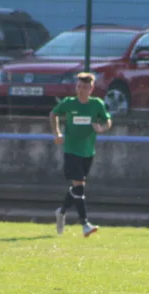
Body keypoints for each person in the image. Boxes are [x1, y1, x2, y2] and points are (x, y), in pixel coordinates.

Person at [50, 72, 112, 237]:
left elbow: (107, 121)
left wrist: (102, 128)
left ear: (91, 89)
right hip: (71, 150)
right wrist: (56, 133)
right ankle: (85, 224)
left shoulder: (96, 104)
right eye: (78, 86)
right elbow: (53, 114)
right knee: (78, 185)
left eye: (84, 87)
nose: (80, 90)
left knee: (78, 188)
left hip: (87, 151)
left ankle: (61, 211)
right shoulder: (69, 103)